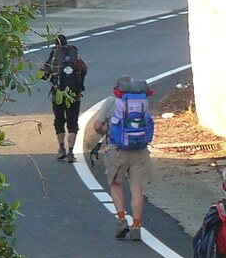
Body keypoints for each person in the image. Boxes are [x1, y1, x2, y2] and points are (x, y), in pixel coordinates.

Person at [92, 75, 154, 242]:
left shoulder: (111, 101)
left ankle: (121, 220)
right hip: (140, 150)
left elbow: (97, 126)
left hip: (117, 150)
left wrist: (107, 134)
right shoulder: (141, 101)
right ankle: (136, 226)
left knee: (116, 184)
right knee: (136, 188)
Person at [40, 34, 87, 163]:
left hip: (57, 95)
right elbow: (84, 70)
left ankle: (61, 149)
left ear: (56, 44)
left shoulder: (54, 56)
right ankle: (71, 152)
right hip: (74, 95)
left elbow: (43, 75)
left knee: (59, 121)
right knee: (72, 122)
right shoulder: (75, 56)